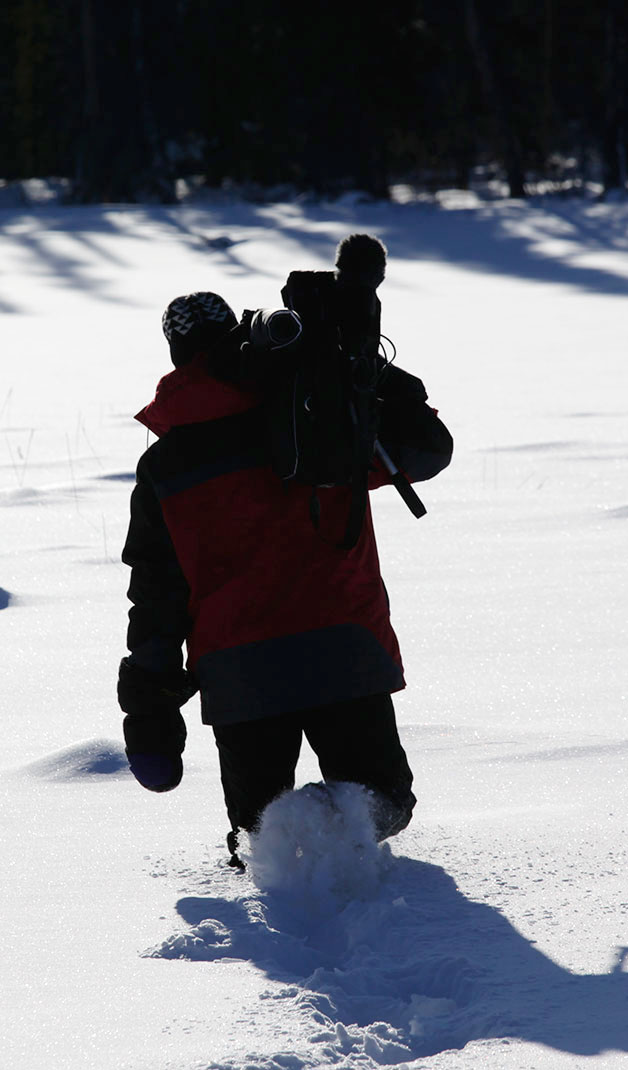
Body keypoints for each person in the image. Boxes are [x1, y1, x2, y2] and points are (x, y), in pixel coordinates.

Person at [118, 244, 453, 866]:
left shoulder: (165, 465)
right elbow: (428, 451)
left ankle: (289, 861)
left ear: (177, 361)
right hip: (346, 646)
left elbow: (157, 591)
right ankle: (344, 835)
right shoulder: (317, 419)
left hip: (239, 669)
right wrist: (360, 369)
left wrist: (149, 700)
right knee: (384, 804)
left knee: (260, 829)